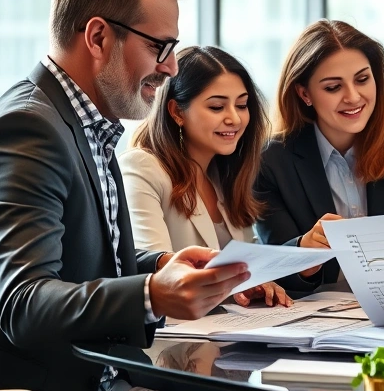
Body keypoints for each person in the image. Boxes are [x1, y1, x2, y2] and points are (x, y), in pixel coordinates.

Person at [0, 0, 269, 391]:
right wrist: (150, 294)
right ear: (99, 35)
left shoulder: (83, 124)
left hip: (89, 375)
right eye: (160, 47)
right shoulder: (24, 131)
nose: (170, 68)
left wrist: (163, 265)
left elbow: (81, 261)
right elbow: (26, 302)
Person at [254, 20, 384, 290]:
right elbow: (277, 269)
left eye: (362, 79)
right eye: (333, 87)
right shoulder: (271, 160)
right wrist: (305, 254)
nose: (353, 97)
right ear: (304, 93)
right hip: (318, 312)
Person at [121, 46, 291, 308]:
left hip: (226, 332)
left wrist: (256, 282)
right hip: (170, 339)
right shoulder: (142, 168)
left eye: (242, 105)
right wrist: (234, 284)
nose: (234, 118)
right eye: (216, 107)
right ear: (177, 112)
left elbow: (245, 265)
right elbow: (156, 272)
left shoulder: (227, 174)